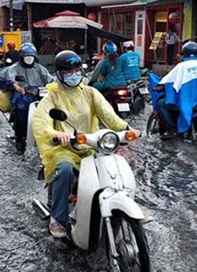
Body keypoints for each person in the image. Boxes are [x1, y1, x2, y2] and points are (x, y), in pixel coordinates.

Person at [32, 50, 141, 238]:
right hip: (64, 148)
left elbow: (109, 115)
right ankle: (58, 219)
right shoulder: (52, 97)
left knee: (112, 169)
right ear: (59, 74)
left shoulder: (90, 93)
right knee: (65, 170)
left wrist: (127, 128)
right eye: (68, 72)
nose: (74, 75)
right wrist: (57, 134)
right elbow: (41, 124)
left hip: (91, 145)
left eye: (77, 70)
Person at [0, 43, 54, 152]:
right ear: (22, 57)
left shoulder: (39, 68)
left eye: (31, 56)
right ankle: (21, 136)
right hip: (22, 96)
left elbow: (49, 79)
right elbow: (10, 78)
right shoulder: (15, 68)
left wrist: (57, 85)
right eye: (27, 56)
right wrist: (17, 86)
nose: (29, 59)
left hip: (38, 94)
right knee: (21, 111)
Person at [157, 41, 197, 140]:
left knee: (160, 104)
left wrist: (158, 86)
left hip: (188, 101)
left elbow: (168, 81)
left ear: (184, 52)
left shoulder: (182, 66)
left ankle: (171, 130)